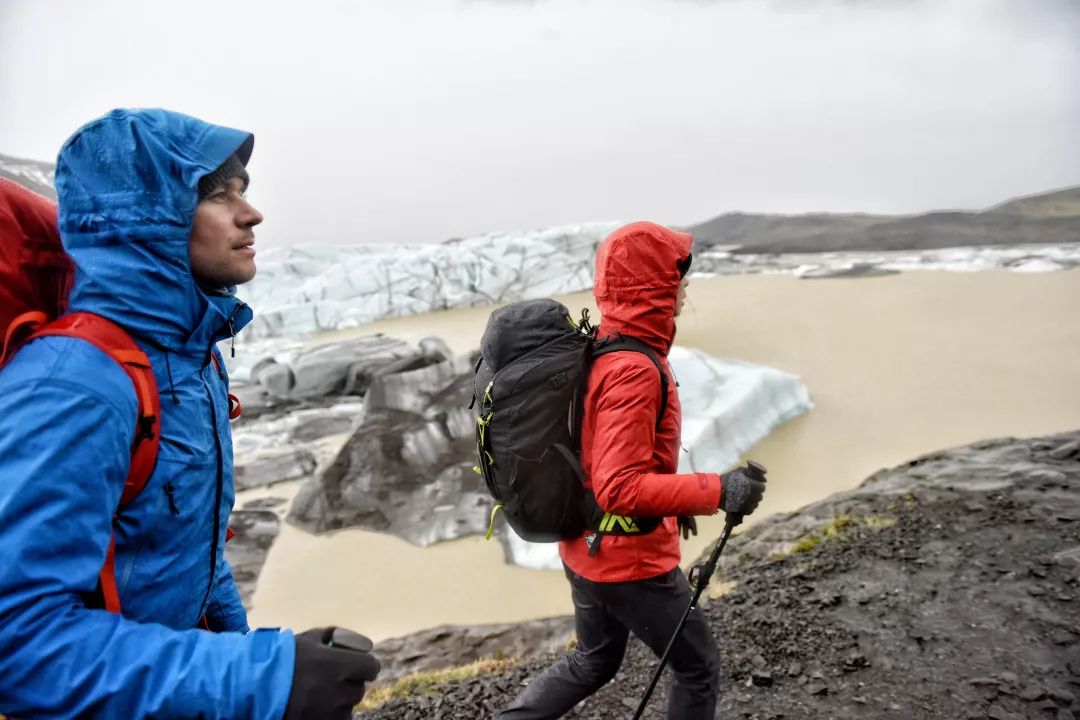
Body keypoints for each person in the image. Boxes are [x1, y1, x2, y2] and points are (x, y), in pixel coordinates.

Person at [0, 109, 378, 719]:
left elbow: (185, 552)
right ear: (145, 219)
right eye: (217, 196)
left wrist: (244, 655)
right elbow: (17, 645)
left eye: (243, 192)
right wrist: (259, 679)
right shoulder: (75, 385)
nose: (251, 214)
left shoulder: (193, 361)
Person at [496, 221, 767, 719]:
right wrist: (719, 489)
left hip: (586, 547)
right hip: (629, 561)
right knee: (697, 668)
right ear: (653, 287)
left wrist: (678, 501)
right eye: (678, 276)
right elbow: (620, 487)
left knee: (592, 662)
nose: (686, 287)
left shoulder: (604, 346)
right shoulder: (633, 369)